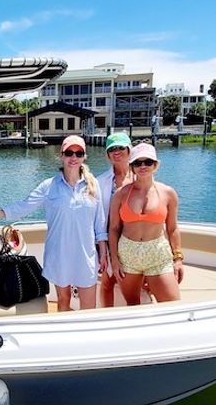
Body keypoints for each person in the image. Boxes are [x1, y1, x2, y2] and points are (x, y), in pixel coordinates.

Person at [0, 135, 108, 311]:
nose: (73, 157)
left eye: (78, 153)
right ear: (61, 155)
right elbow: (23, 206)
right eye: (69, 153)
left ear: (84, 156)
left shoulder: (94, 185)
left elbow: (100, 224)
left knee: (89, 308)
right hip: (59, 254)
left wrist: (104, 252)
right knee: (63, 302)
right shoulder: (49, 186)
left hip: (86, 255)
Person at [108, 143, 183, 305]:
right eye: (137, 163)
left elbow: (173, 228)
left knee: (173, 306)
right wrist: (114, 260)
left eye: (148, 162)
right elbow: (113, 229)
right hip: (128, 256)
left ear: (156, 165)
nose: (143, 166)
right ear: (132, 167)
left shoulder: (168, 193)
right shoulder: (120, 194)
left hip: (158, 256)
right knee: (133, 306)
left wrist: (178, 259)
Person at [96, 132, 132, 307]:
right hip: (111, 238)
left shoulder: (140, 175)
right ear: (107, 154)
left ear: (129, 150)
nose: (116, 152)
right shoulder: (100, 181)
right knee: (108, 280)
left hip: (135, 239)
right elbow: (97, 215)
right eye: (112, 149)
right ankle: (106, 315)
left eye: (120, 147)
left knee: (138, 280)